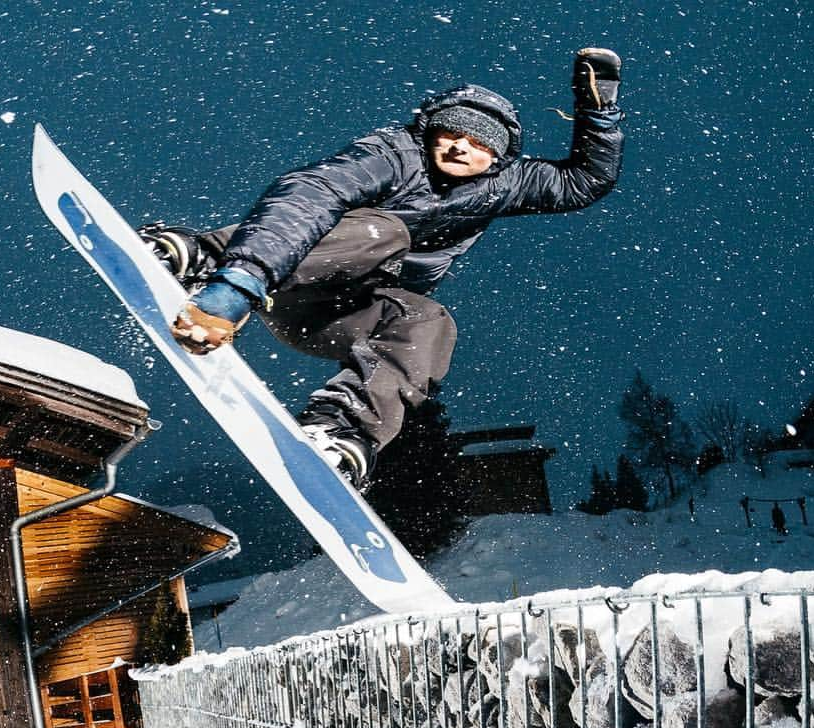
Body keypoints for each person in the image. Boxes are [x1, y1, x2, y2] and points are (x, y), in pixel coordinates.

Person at [143, 49, 623, 489]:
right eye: (452, 133)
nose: (461, 149)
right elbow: (311, 196)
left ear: (497, 156)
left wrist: (599, 114)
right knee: (386, 231)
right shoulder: (394, 154)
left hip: (338, 317)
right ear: (431, 131)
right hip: (280, 279)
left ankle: (343, 430)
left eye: (479, 144)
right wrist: (238, 279)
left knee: (429, 319)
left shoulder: (506, 184)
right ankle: (198, 256)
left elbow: (584, 181)